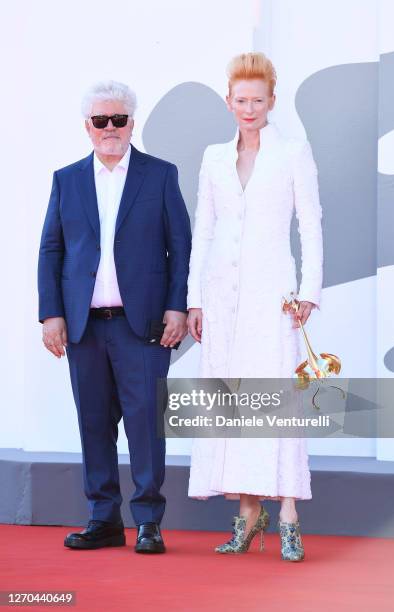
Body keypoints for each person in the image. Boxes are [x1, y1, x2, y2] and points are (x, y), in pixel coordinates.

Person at [38, 80, 191, 554]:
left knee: (146, 424)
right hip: (83, 327)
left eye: (118, 119)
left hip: (141, 324)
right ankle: (103, 519)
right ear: (87, 127)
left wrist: (176, 306)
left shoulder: (160, 175)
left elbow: (180, 248)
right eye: (100, 121)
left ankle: (148, 521)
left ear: (131, 123)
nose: (110, 129)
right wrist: (51, 314)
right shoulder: (67, 179)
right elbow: (52, 249)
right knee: (93, 424)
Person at [187, 53, 323, 561]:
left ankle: (286, 512)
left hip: (274, 297)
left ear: (272, 101)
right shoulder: (212, 157)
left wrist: (310, 288)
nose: (249, 109)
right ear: (228, 101)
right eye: (240, 100)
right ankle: (247, 513)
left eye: (258, 101)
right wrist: (194, 299)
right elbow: (204, 227)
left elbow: (310, 220)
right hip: (221, 296)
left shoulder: (293, 151)